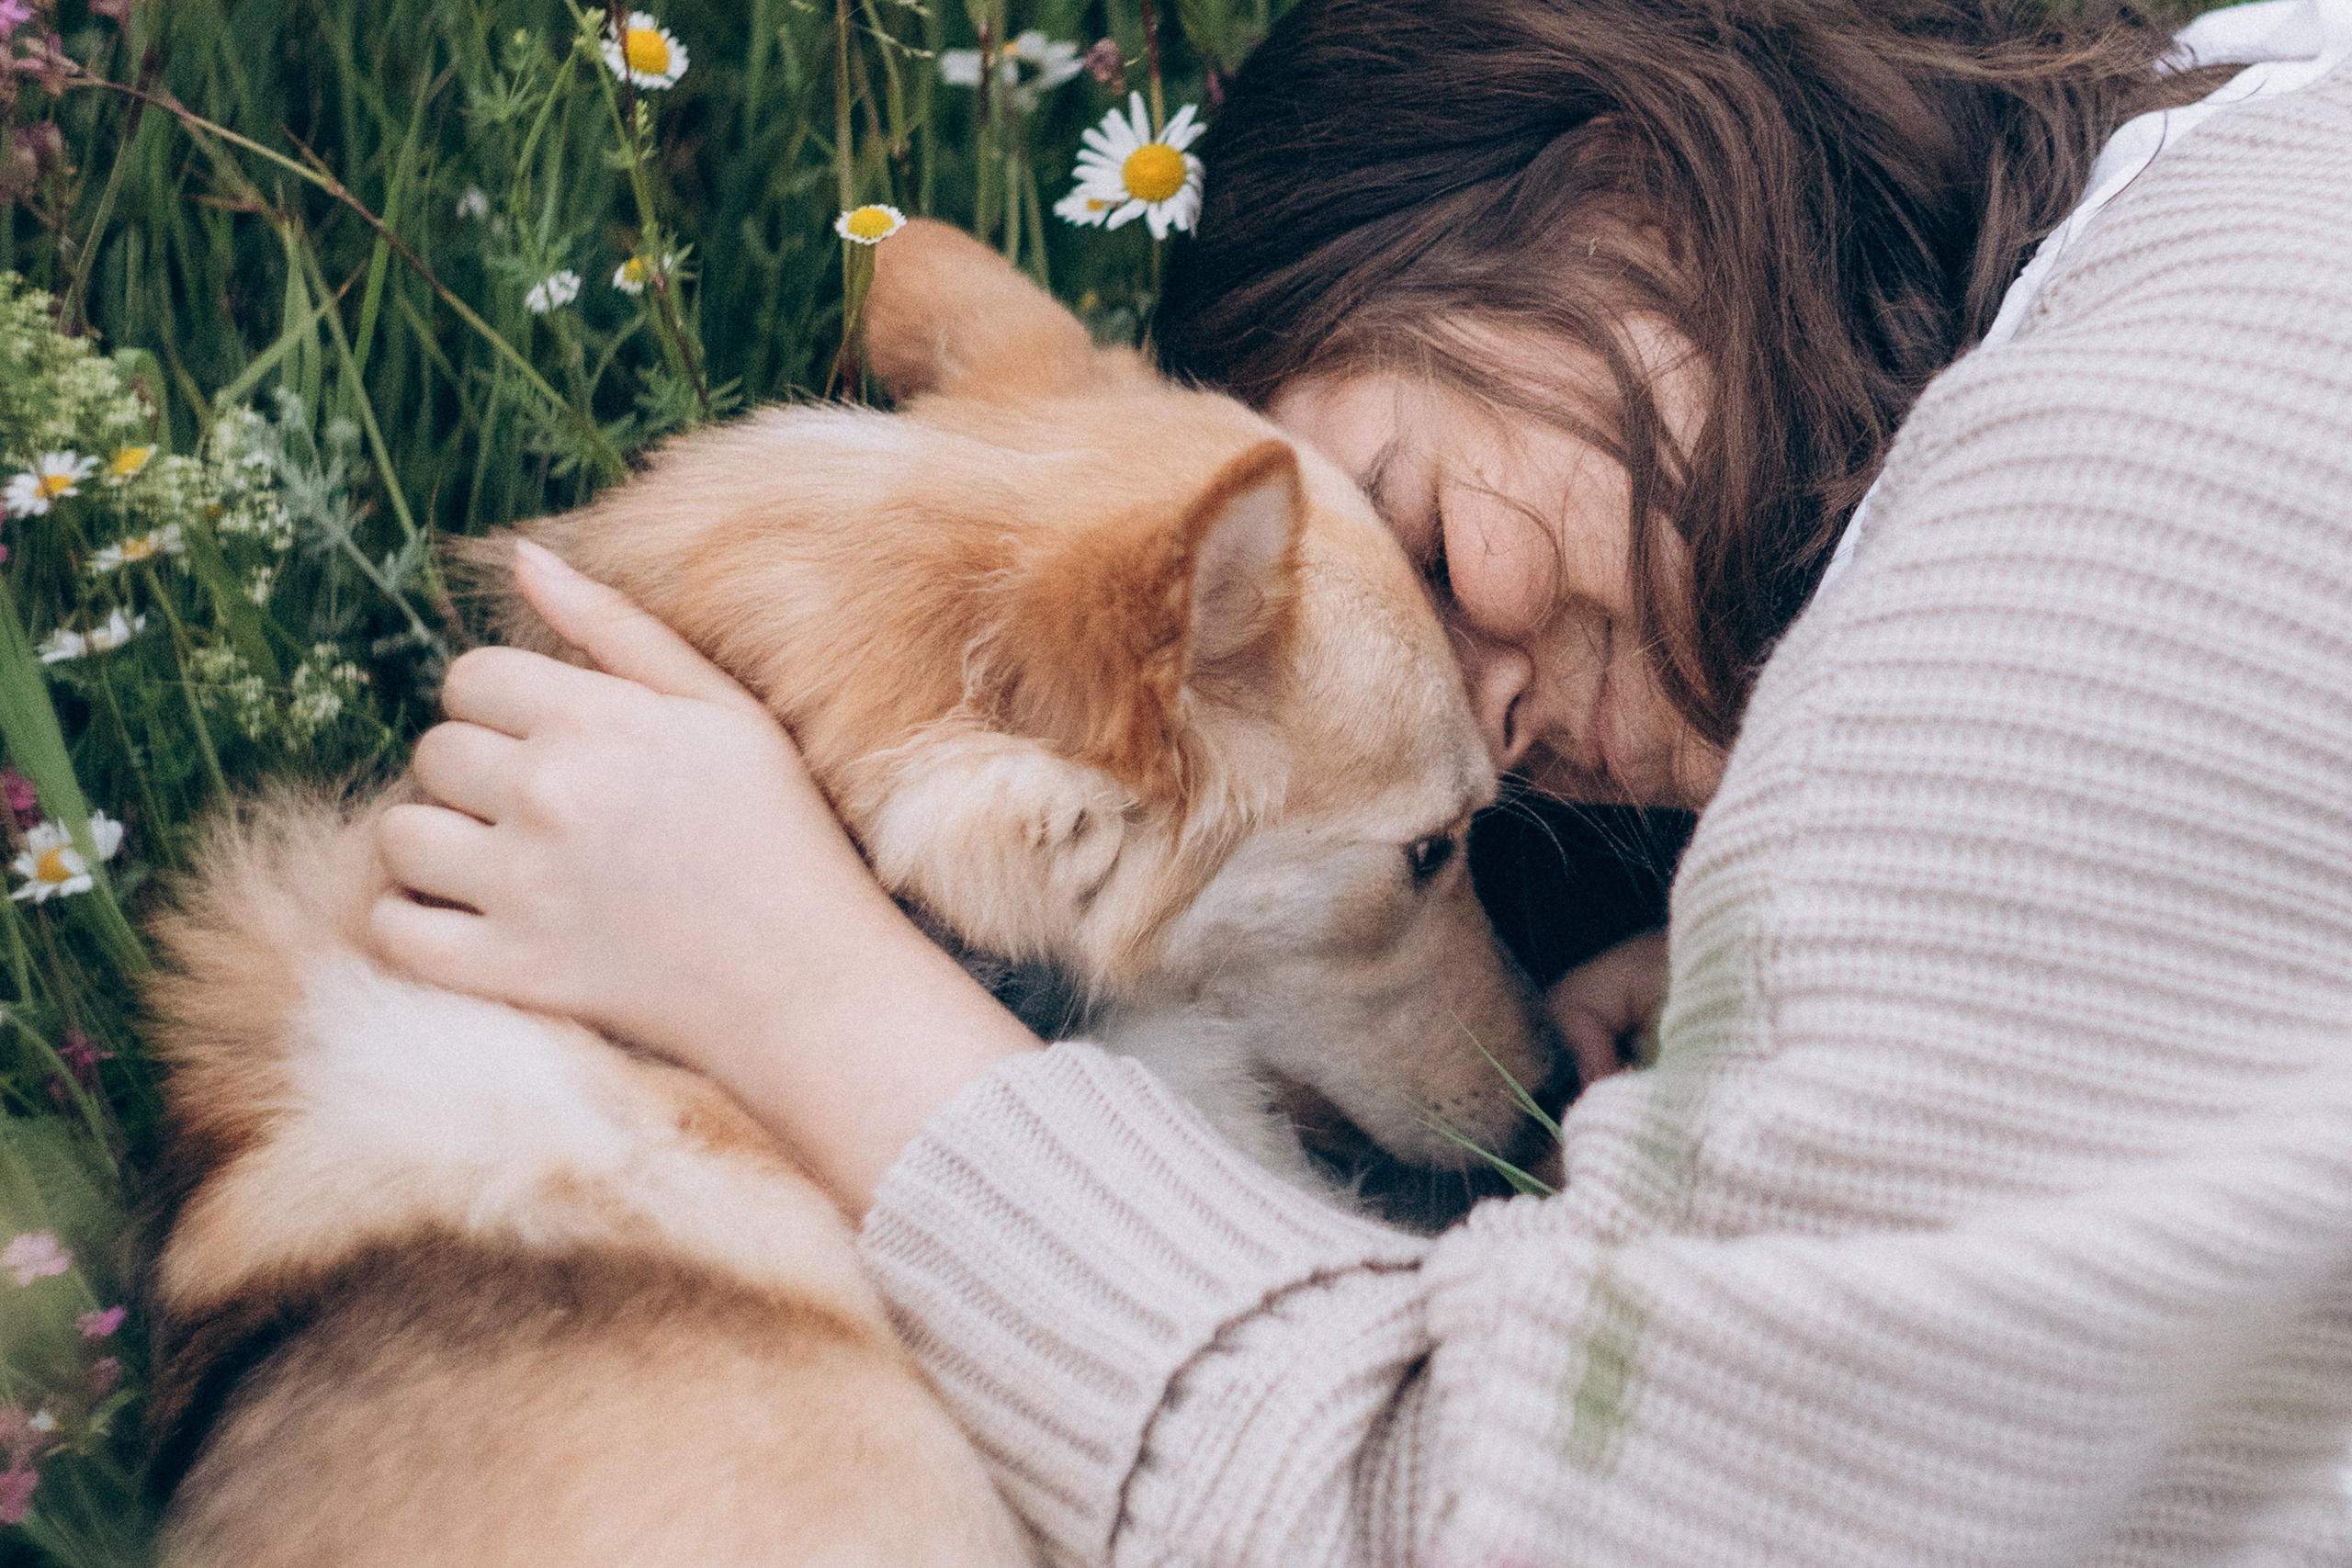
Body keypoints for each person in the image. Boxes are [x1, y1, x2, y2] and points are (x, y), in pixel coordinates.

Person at [369, 0, 2352, 1560]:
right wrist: (1843, 1012)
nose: (1477, 728)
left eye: (1404, 527)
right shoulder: (2252, 170)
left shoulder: (2098, 515)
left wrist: (814, 1001)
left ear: (1627, 186)